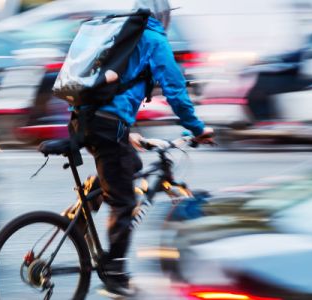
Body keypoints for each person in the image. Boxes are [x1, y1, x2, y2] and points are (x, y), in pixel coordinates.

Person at [74, 0, 214, 296]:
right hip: (107, 125)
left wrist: (129, 131)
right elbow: (175, 90)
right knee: (124, 201)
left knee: (132, 166)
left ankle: (87, 205)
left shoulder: (124, 34)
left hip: (85, 120)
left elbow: (116, 87)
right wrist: (198, 130)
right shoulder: (154, 39)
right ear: (161, 16)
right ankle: (115, 274)